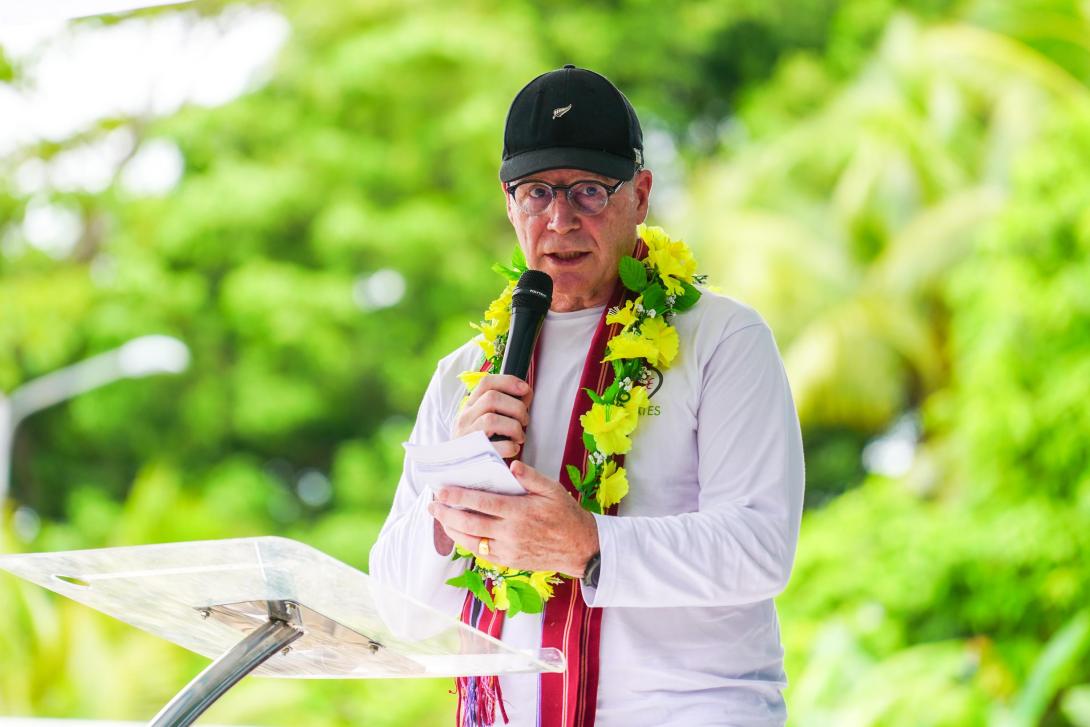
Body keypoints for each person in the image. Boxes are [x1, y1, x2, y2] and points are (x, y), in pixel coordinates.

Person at [369, 65, 805, 727]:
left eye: (589, 191)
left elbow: (759, 546)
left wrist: (590, 544)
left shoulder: (721, 338)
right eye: (536, 192)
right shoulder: (466, 373)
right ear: (509, 203)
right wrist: (448, 495)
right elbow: (397, 610)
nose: (560, 218)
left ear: (641, 195)